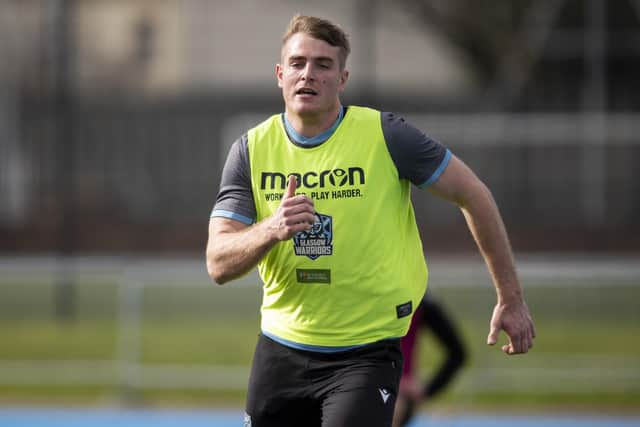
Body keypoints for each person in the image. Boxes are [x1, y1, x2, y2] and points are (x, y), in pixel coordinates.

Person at [206, 14, 535, 427]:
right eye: (298, 63)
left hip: (365, 354)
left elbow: (474, 194)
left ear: (342, 78)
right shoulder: (250, 150)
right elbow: (218, 263)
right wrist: (272, 228)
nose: (308, 74)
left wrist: (511, 297)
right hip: (281, 349)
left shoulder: (386, 136)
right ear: (279, 74)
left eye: (323, 65)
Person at [392, 296, 467, 427]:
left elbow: (457, 353)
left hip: (398, 392)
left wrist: (428, 390)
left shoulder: (418, 301)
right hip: (358, 382)